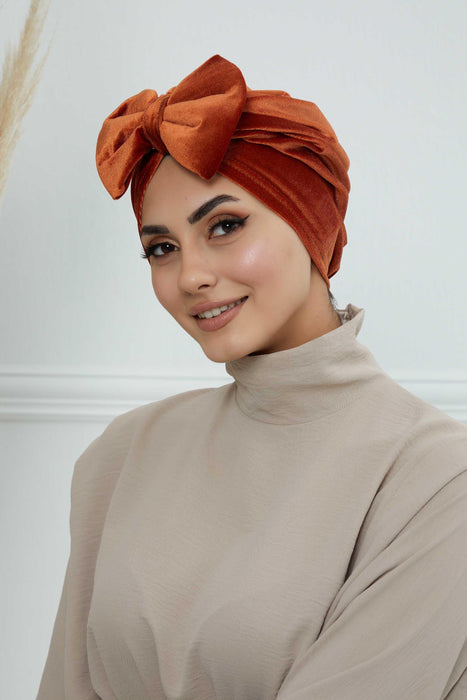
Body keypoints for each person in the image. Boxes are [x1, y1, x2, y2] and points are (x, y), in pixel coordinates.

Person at [37, 55, 467, 700]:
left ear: (312, 222)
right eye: (162, 248)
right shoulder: (122, 454)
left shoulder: (436, 478)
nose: (190, 276)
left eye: (225, 226)